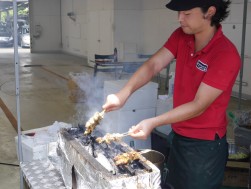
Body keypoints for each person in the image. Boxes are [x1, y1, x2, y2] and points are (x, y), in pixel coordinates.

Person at [102, 0, 241, 188]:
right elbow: (153, 65)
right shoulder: (182, 36)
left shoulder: (226, 54)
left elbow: (198, 105)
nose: (180, 19)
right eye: (179, 13)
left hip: (204, 147)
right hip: (178, 135)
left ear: (209, 12)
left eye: (187, 13)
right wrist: (123, 94)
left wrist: (153, 122)